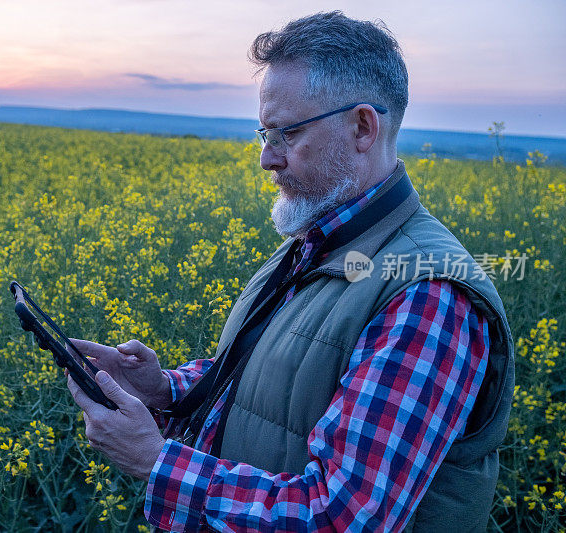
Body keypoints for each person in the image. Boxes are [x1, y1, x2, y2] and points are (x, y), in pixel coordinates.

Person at [66, 11, 513, 532]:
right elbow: (283, 376)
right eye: (264, 133)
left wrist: (155, 461)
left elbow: (339, 518)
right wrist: (166, 390)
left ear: (362, 127)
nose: (266, 158)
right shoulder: (321, 240)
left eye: (286, 133)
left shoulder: (428, 295)